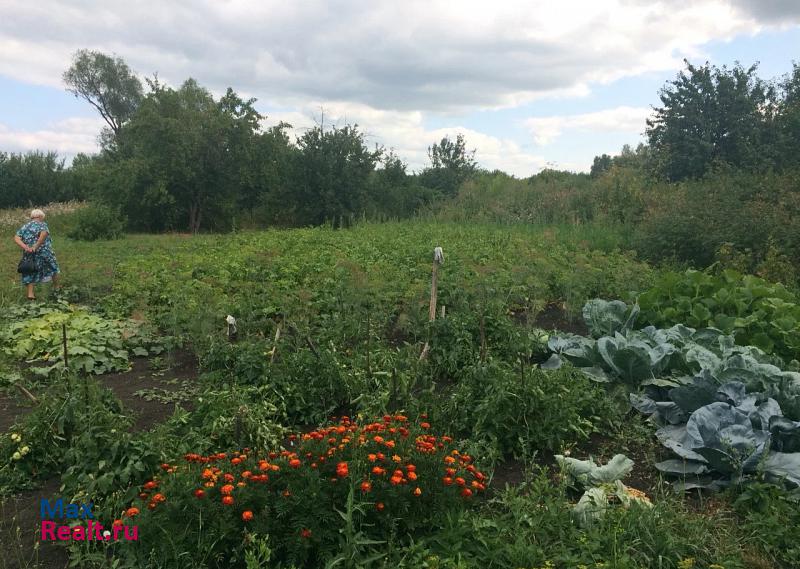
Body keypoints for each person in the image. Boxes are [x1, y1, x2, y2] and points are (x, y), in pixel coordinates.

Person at [13, 209, 61, 300]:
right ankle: (57, 288)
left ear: (32, 217)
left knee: (30, 270)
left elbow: (16, 237)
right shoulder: (42, 224)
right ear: (41, 216)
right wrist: (35, 246)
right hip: (44, 252)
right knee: (53, 268)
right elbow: (44, 234)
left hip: (29, 254)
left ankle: (31, 294)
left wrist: (25, 247)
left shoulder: (25, 226)